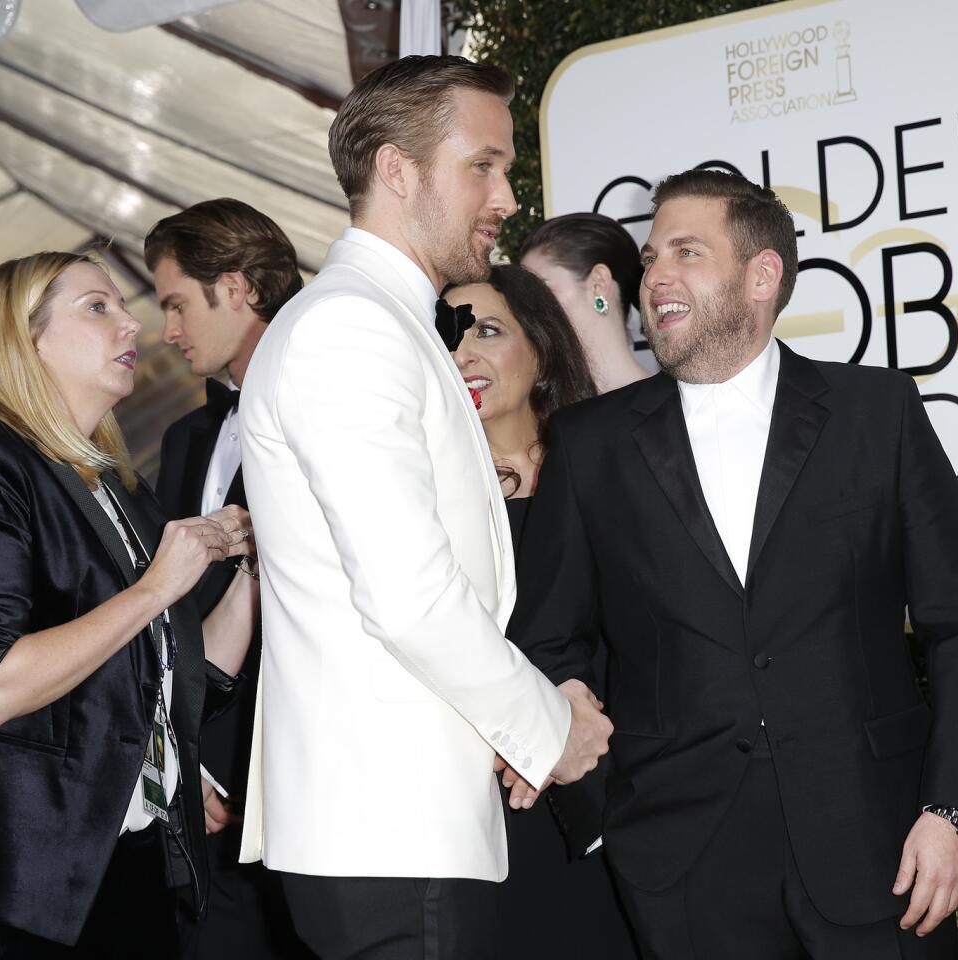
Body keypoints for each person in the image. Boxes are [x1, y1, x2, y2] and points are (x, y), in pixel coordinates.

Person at [507, 169, 958, 959]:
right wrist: (606, 816)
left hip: (879, 852)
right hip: (681, 869)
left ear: (762, 276)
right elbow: (548, 640)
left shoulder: (874, 415)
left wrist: (953, 813)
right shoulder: (592, 445)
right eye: (650, 256)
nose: (656, 277)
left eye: (686, 251)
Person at [238, 54, 613, 959]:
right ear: (396, 172)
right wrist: (546, 730)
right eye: (482, 165)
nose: (507, 197)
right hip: (388, 830)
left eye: (508, 169)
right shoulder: (350, 328)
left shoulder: (384, 321)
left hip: (399, 827)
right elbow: (410, 593)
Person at [0, 252, 257, 957]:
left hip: (132, 868)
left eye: (122, 305)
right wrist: (155, 589)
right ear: (26, 339)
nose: (131, 322)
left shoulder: (115, 487)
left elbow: (178, 687)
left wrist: (254, 574)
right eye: (97, 306)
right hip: (27, 889)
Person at [444, 265, 638, 958]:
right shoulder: (422, 507)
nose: (462, 354)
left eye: (487, 331)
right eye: (447, 337)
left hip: (631, 784)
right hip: (492, 799)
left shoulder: (618, 469)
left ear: (544, 348)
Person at [145, 198, 311, 959]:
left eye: (177, 304)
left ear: (238, 287)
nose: (168, 332)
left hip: (301, 777)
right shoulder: (186, 438)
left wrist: (217, 758)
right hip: (196, 804)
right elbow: (170, 616)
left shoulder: (326, 401)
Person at [518, 212, 650, 393]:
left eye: (542, 291)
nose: (527, 310)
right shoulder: (538, 412)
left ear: (599, 284)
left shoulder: (677, 407)